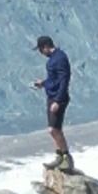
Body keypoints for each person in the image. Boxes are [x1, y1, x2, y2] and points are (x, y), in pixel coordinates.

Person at [34, 33, 73, 162]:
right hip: (52, 96)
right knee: (56, 129)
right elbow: (54, 79)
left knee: (53, 130)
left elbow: (63, 80)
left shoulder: (60, 58)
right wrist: (43, 83)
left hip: (58, 98)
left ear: (45, 47)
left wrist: (57, 101)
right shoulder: (53, 59)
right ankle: (59, 157)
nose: (40, 52)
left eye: (40, 49)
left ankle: (66, 157)